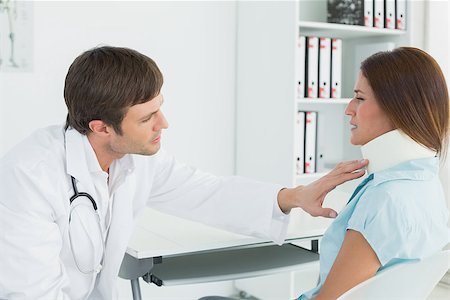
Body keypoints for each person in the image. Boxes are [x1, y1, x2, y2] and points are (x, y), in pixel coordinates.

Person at [0, 46, 367, 299]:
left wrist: (294, 196)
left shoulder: (134, 160)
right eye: (147, 118)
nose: (164, 123)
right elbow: (31, 292)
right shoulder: (30, 177)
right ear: (101, 128)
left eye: (160, 108)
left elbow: (206, 192)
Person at [299, 47, 450, 299]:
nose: (349, 109)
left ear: (398, 106)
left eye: (359, 98)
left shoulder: (384, 200)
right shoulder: (427, 183)